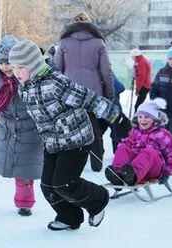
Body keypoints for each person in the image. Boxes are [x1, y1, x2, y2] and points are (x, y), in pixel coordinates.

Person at [9, 40, 131, 230]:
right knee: (48, 187)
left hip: (75, 140)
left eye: (21, 67)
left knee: (65, 184)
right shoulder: (25, 87)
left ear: (33, 65)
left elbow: (89, 98)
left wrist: (117, 118)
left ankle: (99, 200)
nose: (16, 72)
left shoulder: (56, 83)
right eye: (14, 67)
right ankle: (70, 218)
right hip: (52, 142)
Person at [0, 35, 44, 217]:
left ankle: (25, 203)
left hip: (29, 129)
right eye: (2, 63)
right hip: (7, 128)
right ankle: (23, 200)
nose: (5, 68)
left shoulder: (29, 78)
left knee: (25, 173)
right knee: (15, 168)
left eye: (9, 63)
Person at [54, 12, 115, 172]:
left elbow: (56, 69)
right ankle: (96, 164)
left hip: (69, 91)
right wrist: (109, 94)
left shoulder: (64, 42)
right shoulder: (98, 42)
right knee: (94, 127)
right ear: (89, 23)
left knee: (69, 127)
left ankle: (69, 165)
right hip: (93, 92)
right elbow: (106, 71)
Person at [105, 98, 172, 186]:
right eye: (140, 117)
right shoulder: (135, 131)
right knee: (123, 147)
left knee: (149, 151)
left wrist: (167, 173)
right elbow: (128, 145)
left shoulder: (163, 134)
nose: (143, 120)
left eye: (147, 117)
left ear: (154, 119)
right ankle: (117, 175)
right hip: (131, 168)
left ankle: (132, 176)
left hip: (153, 169)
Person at [130, 48, 151, 113]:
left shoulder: (141, 63)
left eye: (132, 57)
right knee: (138, 105)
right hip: (144, 86)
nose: (132, 58)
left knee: (138, 106)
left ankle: (137, 119)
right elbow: (139, 74)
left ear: (135, 56)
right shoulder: (140, 61)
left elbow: (141, 78)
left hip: (144, 87)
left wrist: (138, 89)